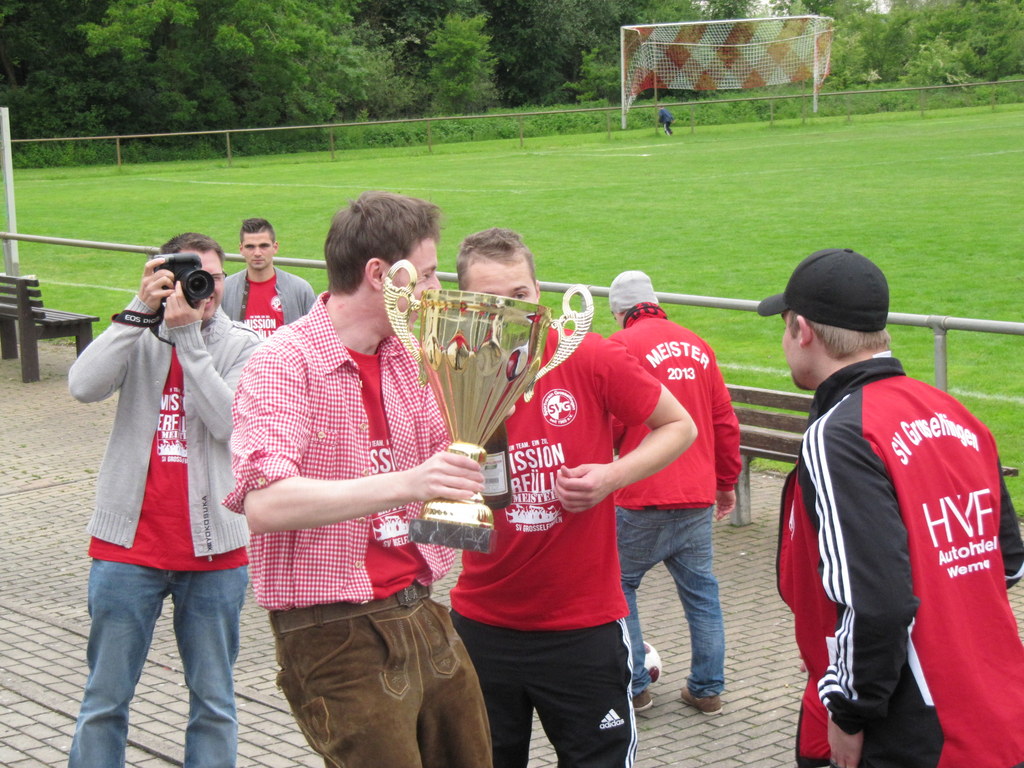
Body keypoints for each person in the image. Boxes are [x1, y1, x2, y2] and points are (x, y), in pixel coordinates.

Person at [225, 191, 492, 768]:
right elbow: (266, 505)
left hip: (421, 606)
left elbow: (443, 486)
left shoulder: (409, 356)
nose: (435, 291)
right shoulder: (283, 362)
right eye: (426, 275)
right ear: (380, 275)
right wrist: (409, 483)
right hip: (333, 629)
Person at [757, 248, 1024, 768]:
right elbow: (1008, 563)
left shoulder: (840, 435)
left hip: (912, 730)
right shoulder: (956, 413)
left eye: (784, 327)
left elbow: (876, 602)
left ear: (802, 330)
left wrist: (849, 712)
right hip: (999, 709)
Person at [448, 228, 698, 768]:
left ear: (539, 291)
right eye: (489, 300)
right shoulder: (450, 369)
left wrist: (612, 476)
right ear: (466, 304)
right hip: (483, 625)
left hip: (582, 627)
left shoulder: (587, 355)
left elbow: (679, 425)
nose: (509, 313)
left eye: (520, 295)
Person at [66, 233, 260, 768]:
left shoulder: (244, 345)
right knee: (105, 699)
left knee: (215, 702)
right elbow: (82, 386)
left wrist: (189, 340)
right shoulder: (137, 333)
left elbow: (230, 426)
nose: (206, 289)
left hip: (215, 552)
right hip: (127, 547)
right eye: (193, 278)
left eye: (214, 278)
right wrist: (137, 312)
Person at [607, 270, 741, 715]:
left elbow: (614, 421)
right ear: (655, 301)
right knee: (702, 593)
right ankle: (707, 689)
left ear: (619, 311)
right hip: (696, 494)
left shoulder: (621, 345)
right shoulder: (697, 344)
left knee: (619, 586)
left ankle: (636, 687)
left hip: (641, 494)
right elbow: (723, 420)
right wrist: (726, 483)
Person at [222, 217, 316, 338]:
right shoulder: (225, 289)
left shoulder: (300, 290)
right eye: (250, 247)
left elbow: (315, 335)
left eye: (264, 246)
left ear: (275, 247)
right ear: (241, 249)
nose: (257, 253)